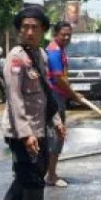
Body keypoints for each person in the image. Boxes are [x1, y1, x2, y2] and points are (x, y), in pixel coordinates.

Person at [0, 4, 66, 200]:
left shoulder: (40, 55)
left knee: (33, 172)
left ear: (43, 30)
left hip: (39, 126)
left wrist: (55, 119)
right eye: (25, 27)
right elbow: (15, 99)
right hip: (20, 130)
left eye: (35, 28)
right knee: (33, 178)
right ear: (19, 31)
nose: (29, 32)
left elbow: (45, 92)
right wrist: (26, 134)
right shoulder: (16, 59)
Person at [44, 21, 86, 188]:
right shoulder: (54, 52)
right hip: (54, 98)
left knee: (55, 135)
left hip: (57, 96)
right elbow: (59, 80)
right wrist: (74, 96)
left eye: (69, 34)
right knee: (57, 135)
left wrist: (73, 94)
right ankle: (51, 175)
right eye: (64, 34)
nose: (67, 37)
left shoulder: (59, 50)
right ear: (56, 34)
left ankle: (49, 173)